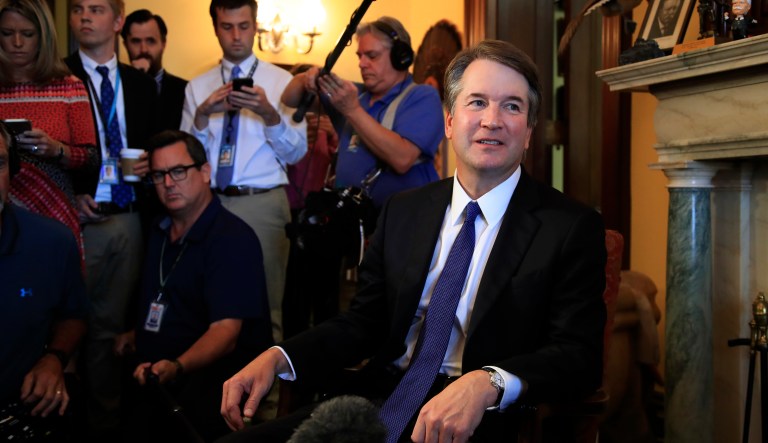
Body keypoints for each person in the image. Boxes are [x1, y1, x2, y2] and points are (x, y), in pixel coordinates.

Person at [218, 40, 607, 443]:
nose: (492, 120)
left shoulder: (570, 227)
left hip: (479, 420)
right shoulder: (405, 210)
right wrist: (280, 357)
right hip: (376, 403)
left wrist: (489, 382)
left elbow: (578, 357)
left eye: (512, 106)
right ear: (450, 122)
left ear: (528, 131)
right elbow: (363, 323)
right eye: (476, 102)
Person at [119, 130, 273, 442]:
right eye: (159, 175)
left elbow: (226, 334)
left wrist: (176, 366)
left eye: (178, 171)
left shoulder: (232, 239)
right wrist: (137, 334)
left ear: (204, 172)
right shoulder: (159, 229)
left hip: (204, 396)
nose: (168, 183)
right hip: (155, 385)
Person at [181, 0, 307, 343]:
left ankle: (266, 393)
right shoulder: (197, 87)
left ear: (256, 26)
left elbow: (297, 152)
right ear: (215, 28)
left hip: (262, 203)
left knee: (268, 301)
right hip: (208, 202)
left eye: (244, 26)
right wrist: (203, 115)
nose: (236, 36)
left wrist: (269, 114)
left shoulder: (283, 83)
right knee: (209, 298)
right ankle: (216, 388)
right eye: (226, 27)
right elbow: (185, 160)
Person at [64, 0, 160, 438]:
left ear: (118, 21)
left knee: (110, 331)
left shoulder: (139, 84)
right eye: (78, 8)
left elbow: (156, 145)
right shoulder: (57, 75)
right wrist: (72, 192)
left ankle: (104, 427)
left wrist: (149, 165)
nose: (85, 16)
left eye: (97, 8)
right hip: (72, 217)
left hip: (127, 215)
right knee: (60, 323)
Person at [282, 16, 444, 210]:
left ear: (401, 57)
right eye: (360, 56)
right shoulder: (354, 94)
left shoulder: (422, 96)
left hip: (403, 223)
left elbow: (402, 159)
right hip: (350, 222)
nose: (362, 64)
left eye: (372, 56)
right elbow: (289, 98)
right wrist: (306, 78)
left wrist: (351, 110)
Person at [0, 122, 89, 440]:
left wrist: (54, 358)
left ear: (13, 168)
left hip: (21, 412)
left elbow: (74, 314)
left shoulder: (51, 241)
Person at [0, 0, 99, 262]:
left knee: (55, 290)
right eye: (7, 34)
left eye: (28, 34)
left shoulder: (69, 87)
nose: (17, 43)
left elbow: (91, 158)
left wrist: (56, 150)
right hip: (4, 212)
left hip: (54, 209)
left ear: (43, 36)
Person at [282, 63, 340, 340]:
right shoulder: (285, 124)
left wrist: (333, 137)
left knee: (324, 287)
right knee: (294, 288)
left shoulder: (328, 124)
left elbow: (338, 165)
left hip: (321, 216)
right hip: (288, 212)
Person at [121, 9, 188, 131]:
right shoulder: (115, 87)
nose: (144, 49)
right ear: (125, 45)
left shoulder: (186, 90)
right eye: (136, 41)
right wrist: (135, 80)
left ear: (163, 43)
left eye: (150, 41)